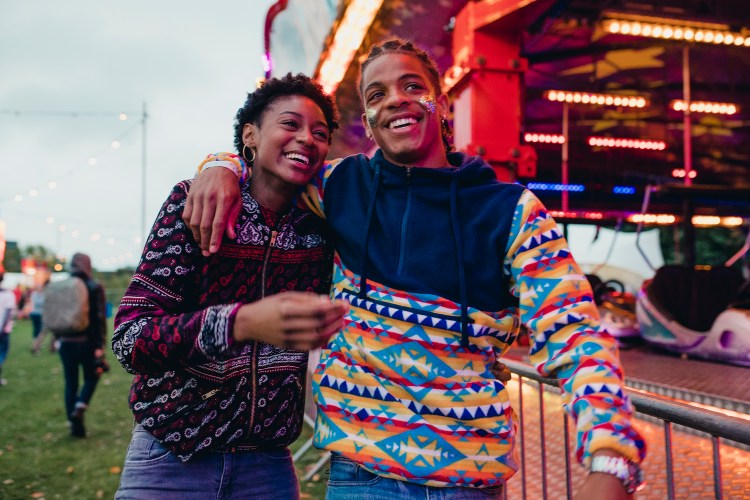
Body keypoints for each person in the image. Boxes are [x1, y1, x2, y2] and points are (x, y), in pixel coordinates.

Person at [184, 39, 647, 499]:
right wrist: (219, 165)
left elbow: (575, 332)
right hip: (359, 478)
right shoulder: (338, 186)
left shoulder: (512, 211)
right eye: (377, 94)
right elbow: (265, 166)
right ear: (368, 122)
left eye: (412, 85)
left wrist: (611, 459)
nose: (396, 100)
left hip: (466, 483)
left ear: (441, 105)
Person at [111, 73, 349, 500]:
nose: (307, 139)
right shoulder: (194, 203)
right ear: (251, 136)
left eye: (320, 133)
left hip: (268, 466)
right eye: (290, 124)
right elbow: (131, 339)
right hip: (172, 455)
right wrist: (239, 323)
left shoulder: (323, 223)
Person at [58, 252, 107, 437]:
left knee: (70, 383)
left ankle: (75, 427)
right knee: (92, 377)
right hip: (86, 343)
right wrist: (100, 345)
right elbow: (100, 318)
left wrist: (56, 338)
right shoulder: (94, 286)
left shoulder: (64, 287)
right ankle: (80, 407)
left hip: (65, 342)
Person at [0, 271, 17, 386]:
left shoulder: (8, 294)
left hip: (3, 330)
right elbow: (8, 313)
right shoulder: (8, 295)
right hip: (3, 331)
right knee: (2, 354)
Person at [29, 280, 48, 354]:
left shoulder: (42, 294)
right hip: (36, 314)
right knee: (37, 329)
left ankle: (37, 344)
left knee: (40, 329)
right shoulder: (35, 294)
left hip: (41, 314)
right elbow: (38, 303)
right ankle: (36, 345)